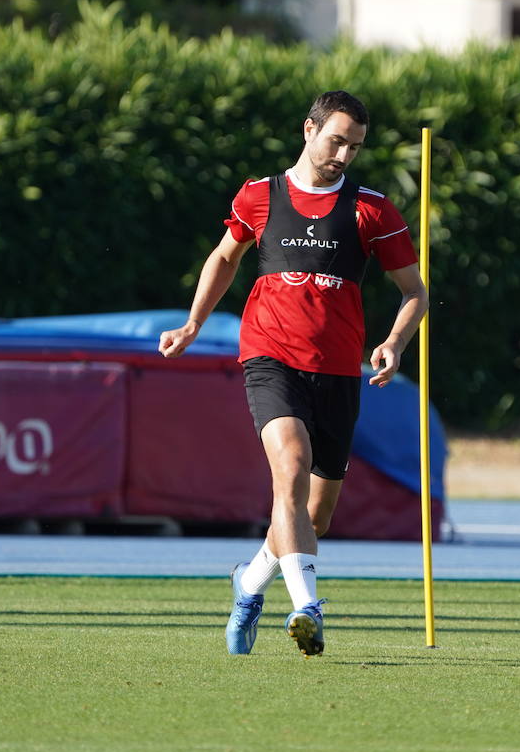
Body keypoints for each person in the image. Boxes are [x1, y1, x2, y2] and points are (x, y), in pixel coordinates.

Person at [159, 90, 427, 656]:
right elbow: (225, 256)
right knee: (291, 465)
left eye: (354, 146)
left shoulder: (370, 209)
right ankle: (308, 608)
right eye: (336, 140)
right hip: (269, 355)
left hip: (337, 372)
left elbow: (414, 292)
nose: (344, 155)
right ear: (308, 131)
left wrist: (394, 342)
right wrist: (191, 324)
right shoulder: (261, 195)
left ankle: (250, 581)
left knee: (315, 515)